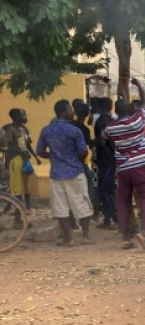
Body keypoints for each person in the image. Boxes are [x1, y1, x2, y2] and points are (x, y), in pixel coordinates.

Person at [103, 78, 145, 251]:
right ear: (131, 109)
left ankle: (126, 237)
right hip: (141, 166)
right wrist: (139, 86)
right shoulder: (138, 120)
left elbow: (103, 138)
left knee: (123, 201)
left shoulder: (111, 128)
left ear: (115, 112)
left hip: (123, 169)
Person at [37, 100, 95, 246]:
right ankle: (86, 236)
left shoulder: (46, 130)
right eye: (70, 109)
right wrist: (76, 157)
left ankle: (69, 239)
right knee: (81, 203)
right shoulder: (75, 130)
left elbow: (39, 151)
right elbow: (83, 151)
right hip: (75, 171)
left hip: (56, 173)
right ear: (63, 111)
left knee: (60, 207)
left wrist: (52, 156)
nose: (72, 112)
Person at [4, 109, 41, 211]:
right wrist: (21, 152)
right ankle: (17, 216)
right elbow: (9, 147)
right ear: (15, 116)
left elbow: (27, 145)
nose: (25, 116)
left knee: (26, 186)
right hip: (16, 160)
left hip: (24, 160)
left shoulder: (24, 129)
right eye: (23, 114)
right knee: (18, 188)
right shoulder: (11, 130)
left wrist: (35, 156)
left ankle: (27, 209)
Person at [94, 100, 118, 229]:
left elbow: (102, 142)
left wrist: (93, 142)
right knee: (108, 190)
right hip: (112, 160)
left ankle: (116, 218)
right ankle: (108, 219)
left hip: (105, 160)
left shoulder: (101, 122)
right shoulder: (112, 121)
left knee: (106, 190)